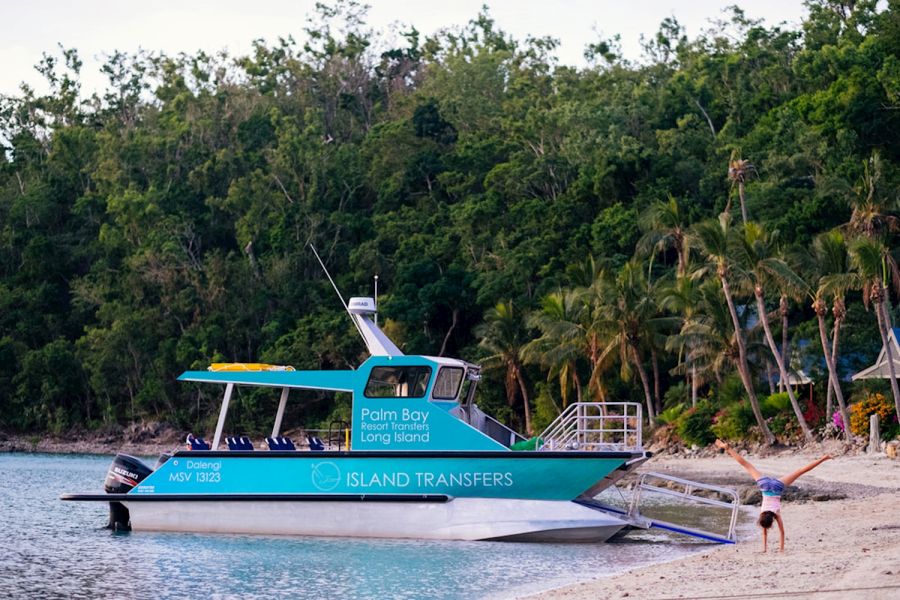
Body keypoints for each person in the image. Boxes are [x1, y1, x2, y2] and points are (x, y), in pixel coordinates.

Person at [714, 438, 832, 553]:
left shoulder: (776, 514)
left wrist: (778, 549)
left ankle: (823, 458)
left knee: (800, 471)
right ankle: (728, 449)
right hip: (764, 485)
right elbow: (774, 532)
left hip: (777, 487)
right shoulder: (763, 513)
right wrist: (774, 549)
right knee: (747, 465)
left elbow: (782, 533)